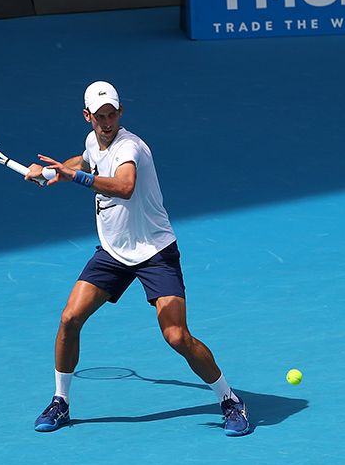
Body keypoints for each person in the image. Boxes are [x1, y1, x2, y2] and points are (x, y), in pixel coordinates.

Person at [25, 81, 250, 436]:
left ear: (121, 112)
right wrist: (52, 172)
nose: (107, 121)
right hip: (113, 252)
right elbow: (83, 159)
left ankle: (230, 400)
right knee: (70, 318)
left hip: (154, 251)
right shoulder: (92, 140)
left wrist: (76, 178)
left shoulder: (131, 146)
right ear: (88, 117)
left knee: (176, 336)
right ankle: (60, 401)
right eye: (100, 116)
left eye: (112, 113)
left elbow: (125, 186)